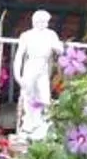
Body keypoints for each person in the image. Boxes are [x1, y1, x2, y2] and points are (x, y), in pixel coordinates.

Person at [13, 10, 64, 141]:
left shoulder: (50, 34)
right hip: (31, 64)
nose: (43, 24)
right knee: (28, 94)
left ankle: (42, 123)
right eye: (40, 21)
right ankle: (28, 124)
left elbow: (60, 49)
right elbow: (19, 56)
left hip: (43, 65)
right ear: (34, 22)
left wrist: (56, 46)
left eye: (45, 22)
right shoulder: (27, 35)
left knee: (44, 95)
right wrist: (18, 75)